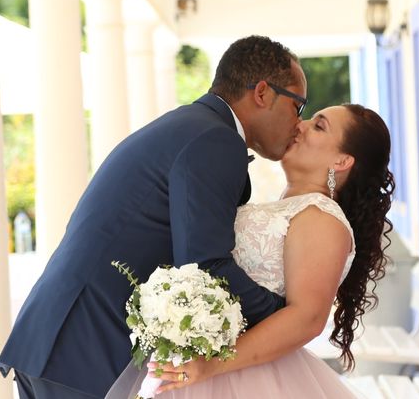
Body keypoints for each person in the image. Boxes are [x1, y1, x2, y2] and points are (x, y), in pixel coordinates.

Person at [0, 35, 308, 398]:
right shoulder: (215, 140)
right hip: (84, 348)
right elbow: (206, 266)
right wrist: (285, 315)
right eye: (298, 106)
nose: (299, 122)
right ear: (261, 93)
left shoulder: (193, 126)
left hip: (61, 341)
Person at [104, 103, 394, 398]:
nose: (301, 125)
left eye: (319, 126)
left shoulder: (323, 219)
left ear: (342, 161)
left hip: (243, 376)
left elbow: (307, 318)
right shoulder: (288, 209)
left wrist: (211, 365)